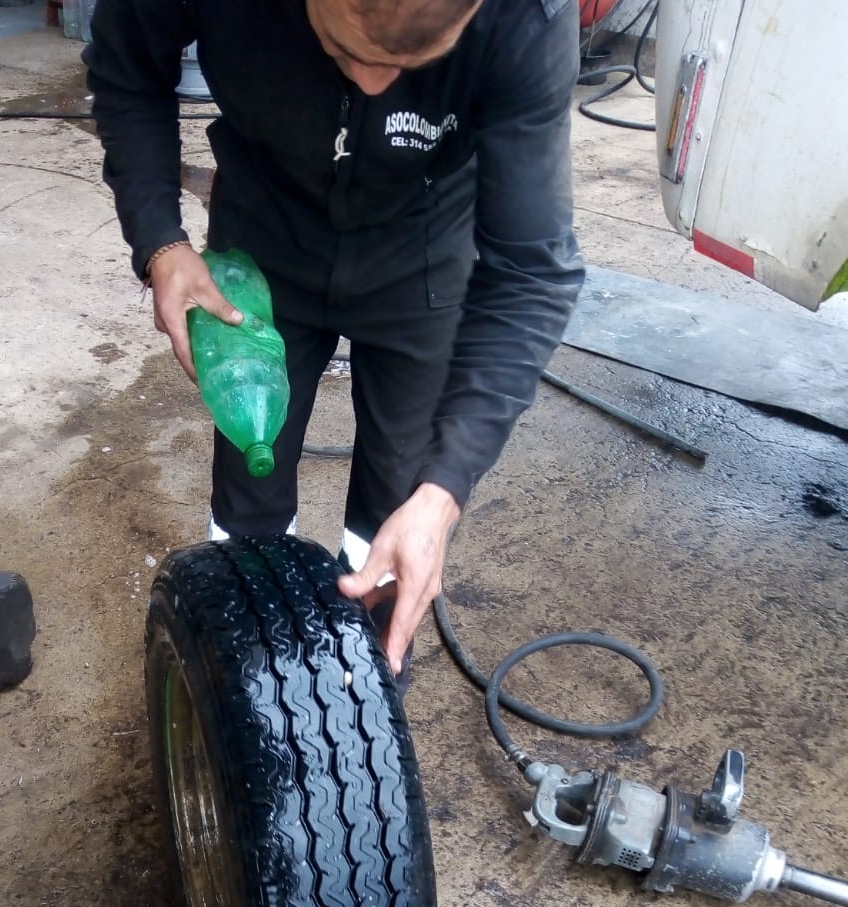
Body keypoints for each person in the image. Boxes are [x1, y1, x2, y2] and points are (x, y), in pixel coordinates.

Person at [86, 0, 583, 677]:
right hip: (266, 232)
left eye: (409, 64)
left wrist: (445, 491)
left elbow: (530, 270)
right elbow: (127, 67)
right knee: (251, 487)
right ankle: (244, 687)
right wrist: (160, 241)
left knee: (399, 503)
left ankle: (367, 687)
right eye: (347, 51)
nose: (374, 85)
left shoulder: (526, 17)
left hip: (422, 242)